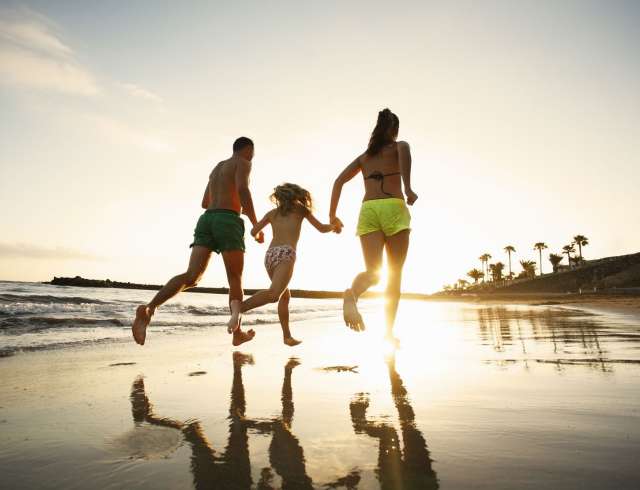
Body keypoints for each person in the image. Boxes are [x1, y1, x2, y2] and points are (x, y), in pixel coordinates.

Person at [132, 137, 263, 346]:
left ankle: (149, 308)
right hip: (227, 220)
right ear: (248, 150)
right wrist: (256, 224)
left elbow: (205, 202)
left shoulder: (218, 167)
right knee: (235, 279)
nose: (253, 156)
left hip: (207, 220)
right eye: (253, 152)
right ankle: (237, 333)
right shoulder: (243, 163)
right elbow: (242, 190)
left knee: (192, 276)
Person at [329, 109, 418, 344]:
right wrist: (408, 188)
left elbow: (338, 181)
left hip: (368, 210)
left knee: (373, 273)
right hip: (393, 208)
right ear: (395, 130)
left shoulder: (364, 157)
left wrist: (332, 215)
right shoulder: (400, 146)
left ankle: (352, 295)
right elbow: (406, 151)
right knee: (394, 275)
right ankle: (388, 333)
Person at [227, 183, 339, 345]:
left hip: (270, 256)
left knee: (284, 295)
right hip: (286, 254)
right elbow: (321, 228)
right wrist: (334, 226)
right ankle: (239, 307)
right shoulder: (301, 210)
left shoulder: (272, 213)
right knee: (274, 294)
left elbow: (253, 232)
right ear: (295, 196)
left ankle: (287, 336)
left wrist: (260, 234)